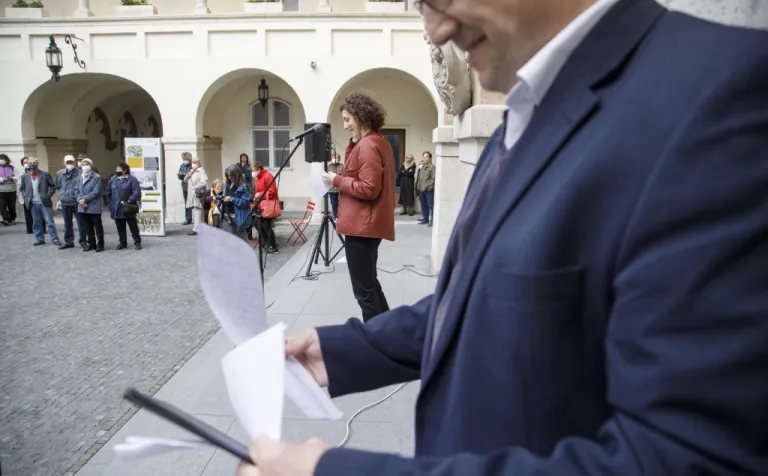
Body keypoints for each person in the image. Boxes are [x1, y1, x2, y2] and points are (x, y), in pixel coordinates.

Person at [237, 0, 768, 475]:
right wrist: (342, 351)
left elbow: (683, 457)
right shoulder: (524, 114)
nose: (437, 29)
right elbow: (480, 298)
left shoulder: (722, 94)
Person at [322, 93, 395, 322]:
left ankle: (375, 338)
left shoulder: (368, 145)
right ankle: (388, 331)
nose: (345, 126)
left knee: (364, 292)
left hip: (362, 227)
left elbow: (369, 188)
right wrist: (353, 144)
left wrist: (336, 180)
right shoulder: (376, 141)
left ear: (361, 117)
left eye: (347, 119)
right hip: (367, 225)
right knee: (370, 285)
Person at [18, 157, 60, 247]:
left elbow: (53, 186)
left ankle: (55, 239)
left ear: (37, 163)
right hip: (32, 203)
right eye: (30, 163)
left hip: (44, 202)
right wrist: (26, 196)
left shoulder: (45, 174)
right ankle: (40, 239)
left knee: (50, 222)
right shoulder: (25, 176)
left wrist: (47, 195)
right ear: (27, 164)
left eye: (34, 162)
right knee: (36, 223)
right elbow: (22, 188)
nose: (32, 164)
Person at [106, 162, 142, 250]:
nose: (117, 171)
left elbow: (136, 192)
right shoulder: (113, 179)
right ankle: (122, 242)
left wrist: (130, 200)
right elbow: (108, 192)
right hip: (117, 207)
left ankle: (137, 242)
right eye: (116, 169)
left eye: (119, 169)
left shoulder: (132, 179)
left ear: (125, 170)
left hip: (128, 207)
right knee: (120, 226)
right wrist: (111, 205)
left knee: (133, 226)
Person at [55, 155, 86, 249]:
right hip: (65, 201)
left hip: (77, 201)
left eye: (71, 162)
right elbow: (58, 185)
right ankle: (69, 241)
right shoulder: (59, 173)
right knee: (67, 224)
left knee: (81, 223)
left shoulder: (80, 172)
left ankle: (83, 241)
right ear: (64, 163)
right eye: (68, 162)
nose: (70, 164)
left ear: (74, 162)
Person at [75, 158, 104, 252]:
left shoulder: (96, 177)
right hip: (82, 205)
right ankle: (91, 244)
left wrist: (84, 199)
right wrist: (79, 200)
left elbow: (96, 191)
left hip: (93, 205)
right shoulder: (79, 176)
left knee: (97, 227)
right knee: (87, 227)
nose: (85, 166)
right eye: (83, 164)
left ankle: (100, 245)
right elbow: (76, 190)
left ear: (91, 165)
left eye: (87, 164)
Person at [252, 161, 279, 253]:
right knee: (257, 223)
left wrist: (259, 194)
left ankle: (273, 246)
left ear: (259, 169)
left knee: (267, 226)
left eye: (253, 170)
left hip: (267, 205)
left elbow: (272, 192)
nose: (252, 172)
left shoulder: (268, 176)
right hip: (261, 204)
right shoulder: (258, 177)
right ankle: (266, 243)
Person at [222, 165, 252, 241]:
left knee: (241, 240)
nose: (229, 178)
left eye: (231, 176)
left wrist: (231, 199)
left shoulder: (243, 187)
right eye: (228, 176)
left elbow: (245, 203)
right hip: (226, 215)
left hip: (237, 216)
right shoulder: (226, 185)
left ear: (236, 175)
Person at [184, 157, 208, 236]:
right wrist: (189, 173)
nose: (193, 164)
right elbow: (185, 180)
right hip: (192, 194)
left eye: (195, 162)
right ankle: (198, 228)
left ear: (198, 163)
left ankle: (197, 229)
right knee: (195, 212)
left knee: (197, 211)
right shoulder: (192, 171)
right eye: (192, 162)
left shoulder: (201, 171)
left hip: (198, 194)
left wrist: (196, 188)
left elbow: (204, 182)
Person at [415, 151, 435, 226]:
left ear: (430, 158)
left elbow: (433, 179)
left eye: (426, 157)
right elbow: (419, 178)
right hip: (421, 189)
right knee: (423, 205)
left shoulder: (432, 167)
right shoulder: (422, 167)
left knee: (431, 206)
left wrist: (429, 187)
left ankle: (432, 221)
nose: (424, 158)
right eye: (424, 157)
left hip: (428, 190)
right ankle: (425, 219)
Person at [16, 157, 33, 234]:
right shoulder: (21, 173)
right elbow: (19, 185)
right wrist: (18, 193)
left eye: (27, 162)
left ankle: (41, 228)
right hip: (26, 196)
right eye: (24, 163)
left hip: (35, 195)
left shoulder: (35, 171)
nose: (26, 164)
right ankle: (29, 229)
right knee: (27, 212)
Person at [0, 154, 18, 226]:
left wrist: (11, 178)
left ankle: (12, 219)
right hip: (1, 191)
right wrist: (3, 179)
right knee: (1, 206)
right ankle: (5, 218)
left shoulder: (11, 168)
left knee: (12, 207)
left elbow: (17, 178)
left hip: (11, 191)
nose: (2, 160)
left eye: (3, 159)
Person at [177, 152, 193, 225]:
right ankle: (188, 218)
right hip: (185, 187)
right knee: (187, 203)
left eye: (186, 159)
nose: (184, 160)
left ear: (189, 159)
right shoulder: (182, 166)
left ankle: (196, 218)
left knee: (194, 203)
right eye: (183, 159)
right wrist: (179, 175)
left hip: (192, 186)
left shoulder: (193, 165)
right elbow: (180, 177)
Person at [327, 152, 343, 220]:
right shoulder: (329, 166)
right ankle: (335, 217)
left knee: (340, 204)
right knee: (333, 204)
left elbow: (343, 175)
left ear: (339, 158)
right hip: (332, 189)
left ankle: (340, 217)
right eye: (333, 157)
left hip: (340, 189)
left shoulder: (341, 166)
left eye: (336, 157)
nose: (335, 158)